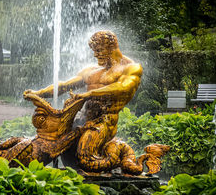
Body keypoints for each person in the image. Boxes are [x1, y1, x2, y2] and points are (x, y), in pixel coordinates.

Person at [24, 30, 143, 171]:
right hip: (83, 118)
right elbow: (64, 85)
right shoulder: (92, 70)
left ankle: (119, 159)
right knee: (59, 145)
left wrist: (90, 94)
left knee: (86, 157)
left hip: (104, 121)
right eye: (94, 50)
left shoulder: (131, 68)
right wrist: (39, 93)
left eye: (99, 50)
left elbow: (122, 87)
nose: (95, 54)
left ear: (111, 47)